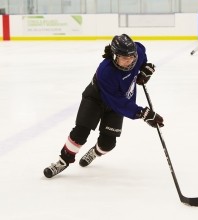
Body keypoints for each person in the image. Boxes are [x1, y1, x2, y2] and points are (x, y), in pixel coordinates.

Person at [43, 34, 164, 178]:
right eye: (125, 58)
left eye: (132, 57)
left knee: (108, 144)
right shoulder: (106, 71)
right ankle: (63, 161)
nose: (130, 61)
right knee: (80, 132)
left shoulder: (137, 53)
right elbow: (119, 102)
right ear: (114, 56)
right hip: (96, 99)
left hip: (118, 102)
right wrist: (143, 113)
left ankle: (94, 152)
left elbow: (141, 51)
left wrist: (144, 69)